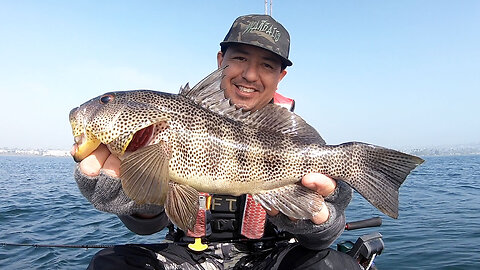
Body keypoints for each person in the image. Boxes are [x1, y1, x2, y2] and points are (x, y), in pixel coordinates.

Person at [73, 14, 360, 269]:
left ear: (280, 76)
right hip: (190, 257)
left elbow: (326, 235)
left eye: (267, 65)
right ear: (220, 60)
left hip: (275, 256)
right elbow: (147, 226)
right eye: (239, 58)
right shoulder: (161, 126)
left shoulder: (293, 137)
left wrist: (314, 217)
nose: (249, 74)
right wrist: (133, 192)